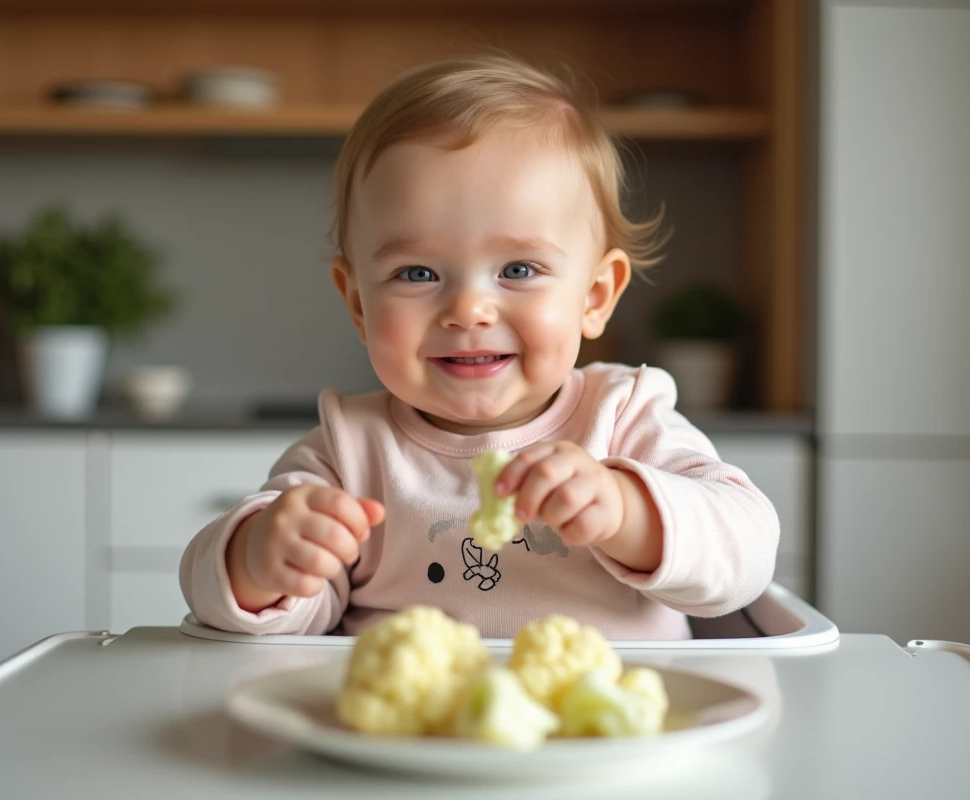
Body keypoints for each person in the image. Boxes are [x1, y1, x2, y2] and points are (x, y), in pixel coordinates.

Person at [180, 54, 779, 639]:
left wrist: (628, 509)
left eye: (518, 269)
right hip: (414, 732)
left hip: (609, 727)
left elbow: (746, 553)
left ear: (595, 296)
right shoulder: (348, 450)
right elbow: (228, 600)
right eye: (417, 274)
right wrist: (258, 561)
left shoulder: (624, 418)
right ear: (359, 302)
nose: (468, 310)